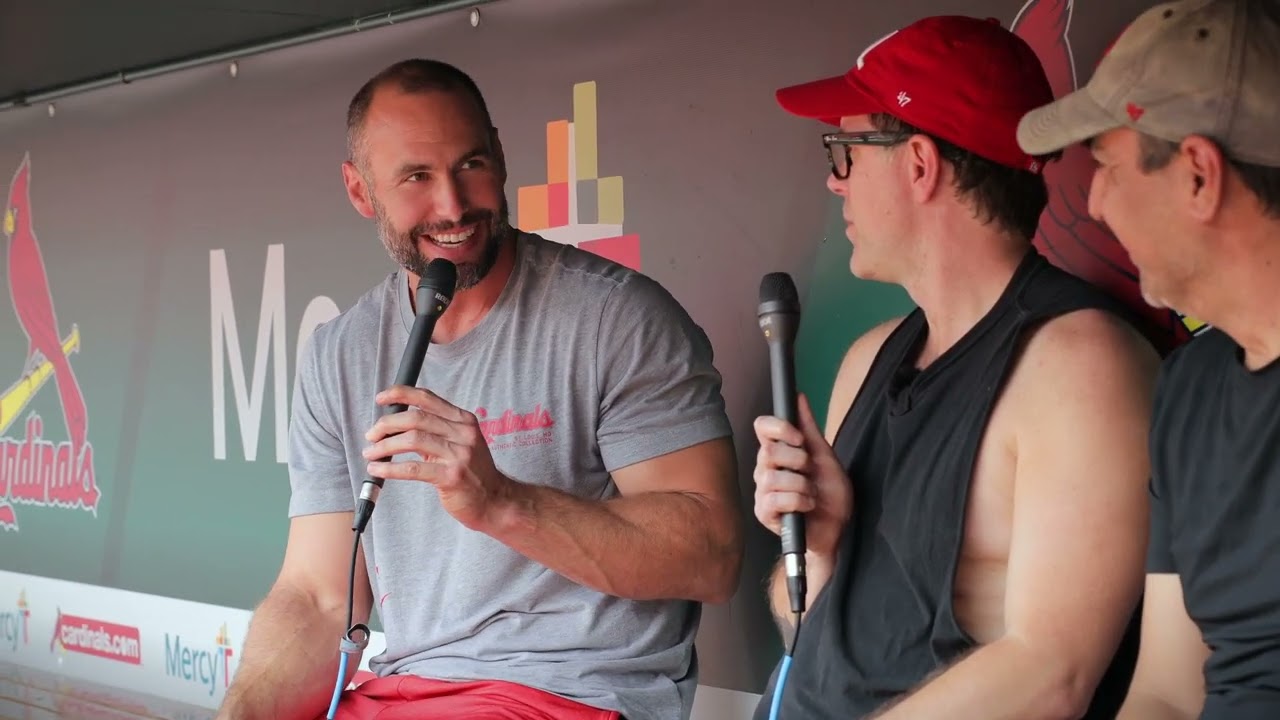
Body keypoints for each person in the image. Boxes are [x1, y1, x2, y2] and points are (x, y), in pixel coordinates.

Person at [214, 58, 743, 720]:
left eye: (471, 165)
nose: (454, 206)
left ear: (500, 153)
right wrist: (240, 709)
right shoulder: (339, 351)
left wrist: (501, 502)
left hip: (567, 698)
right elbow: (321, 598)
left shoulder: (617, 316)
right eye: (416, 177)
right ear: (360, 191)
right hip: (405, 695)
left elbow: (713, 554)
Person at [751, 13, 1164, 720]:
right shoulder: (869, 358)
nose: (834, 182)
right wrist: (819, 549)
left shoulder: (1078, 363)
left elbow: (1053, 673)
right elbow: (805, 634)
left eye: (844, 151)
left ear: (919, 164)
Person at [1017, 1, 1280, 717]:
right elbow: (1165, 690)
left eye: (1106, 164)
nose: (1094, 202)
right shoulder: (1189, 391)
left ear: (1198, 174)